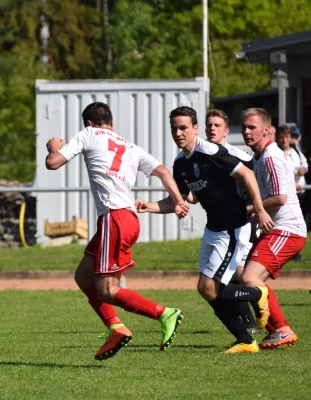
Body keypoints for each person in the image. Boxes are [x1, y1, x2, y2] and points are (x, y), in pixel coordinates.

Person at [45, 102, 187, 361]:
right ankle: (116, 327)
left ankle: (165, 313)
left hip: (114, 219)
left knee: (107, 290)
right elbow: (163, 171)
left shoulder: (89, 134)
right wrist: (178, 200)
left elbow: (53, 163)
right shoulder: (129, 146)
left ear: (88, 123)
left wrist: (53, 148)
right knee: (83, 276)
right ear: (110, 122)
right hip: (126, 219)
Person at [137, 106, 274, 354]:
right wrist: (150, 206)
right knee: (208, 290)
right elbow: (177, 200)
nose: (178, 132)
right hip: (213, 229)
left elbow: (247, 175)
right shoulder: (180, 163)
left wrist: (260, 209)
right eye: (174, 128)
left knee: (208, 286)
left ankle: (256, 294)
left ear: (195, 129)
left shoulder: (210, 151)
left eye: (183, 127)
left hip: (233, 227)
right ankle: (246, 340)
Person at [240, 108, 307, 350]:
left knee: (250, 278)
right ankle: (269, 328)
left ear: (266, 130)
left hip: (288, 229)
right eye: (244, 127)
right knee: (242, 276)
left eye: (252, 127)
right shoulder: (257, 156)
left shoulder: (271, 157)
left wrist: (250, 209)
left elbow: (279, 198)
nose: (247, 131)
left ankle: (280, 329)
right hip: (275, 229)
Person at [205, 109, 260, 336]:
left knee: (235, 273)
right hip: (220, 225)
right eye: (209, 125)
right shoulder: (204, 156)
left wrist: (257, 209)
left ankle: (255, 315)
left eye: (217, 125)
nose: (212, 129)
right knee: (229, 274)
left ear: (226, 131)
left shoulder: (242, 157)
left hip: (242, 223)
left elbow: (253, 185)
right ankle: (253, 317)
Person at [276, 126, 308, 261]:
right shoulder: (276, 153)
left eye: (286, 137)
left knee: (301, 225)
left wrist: (303, 169)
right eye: (281, 137)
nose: (284, 140)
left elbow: (304, 164)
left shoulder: (296, 151)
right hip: (287, 196)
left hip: (301, 193)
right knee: (288, 226)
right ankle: (290, 254)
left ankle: (296, 254)